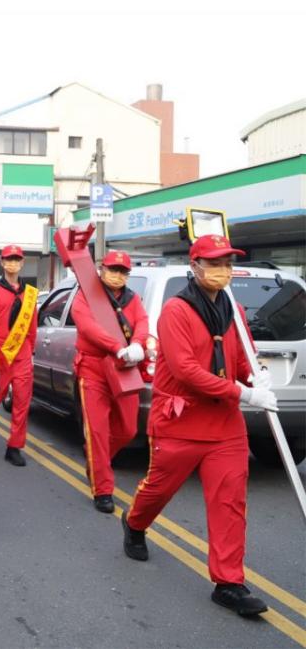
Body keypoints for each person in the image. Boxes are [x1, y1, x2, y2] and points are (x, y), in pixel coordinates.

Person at [122, 234, 275, 617]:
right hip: (181, 420)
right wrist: (243, 394)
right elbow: (186, 371)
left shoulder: (235, 310)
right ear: (195, 267)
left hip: (225, 425)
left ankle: (228, 583)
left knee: (229, 503)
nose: (222, 270)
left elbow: (243, 359)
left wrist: (258, 378)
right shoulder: (175, 311)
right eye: (214, 263)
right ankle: (135, 523)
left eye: (227, 263)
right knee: (158, 490)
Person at [70, 249, 148, 514]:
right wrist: (117, 346)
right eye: (113, 270)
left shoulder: (132, 299)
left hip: (125, 367)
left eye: (122, 272)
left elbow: (143, 322)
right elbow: (87, 326)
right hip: (94, 367)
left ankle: (96, 460)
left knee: (127, 429)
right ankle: (103, 489)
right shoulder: (86, 295)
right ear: (102, 269)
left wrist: (137, 344)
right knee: (97, 431)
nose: (117, 276)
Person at [0, 245, 38, 466]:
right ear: (1, 263)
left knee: (22, 403)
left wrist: (31, 351)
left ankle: (14, 447)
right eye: (8, 260)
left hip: (22, 355)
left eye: (17, 260)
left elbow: (31, 328)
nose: (12, 263)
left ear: (22, 263)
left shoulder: (30, 293)